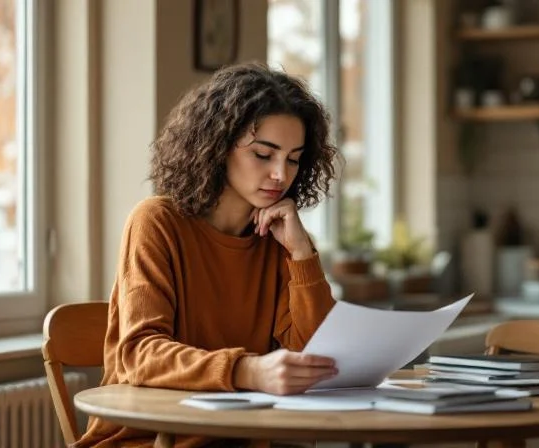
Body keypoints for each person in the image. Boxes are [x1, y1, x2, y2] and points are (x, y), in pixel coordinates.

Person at [74, 62, 341, 448]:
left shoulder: (283, 241)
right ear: (218, 147)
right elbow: (140, 354)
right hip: (146, 441)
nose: (281, 175)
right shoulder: (157, 223)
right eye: (264, 155)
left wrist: (302, 255)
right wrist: (247, 370)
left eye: (294, 158)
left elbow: (319, 358)